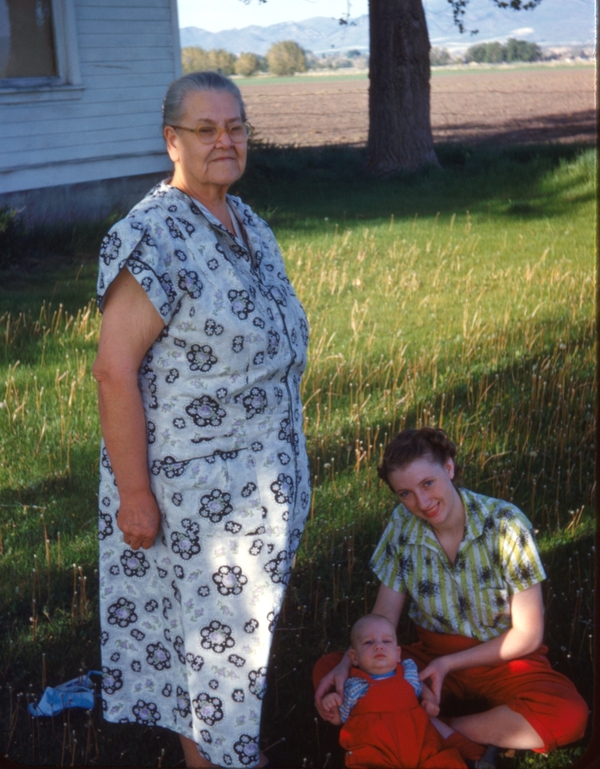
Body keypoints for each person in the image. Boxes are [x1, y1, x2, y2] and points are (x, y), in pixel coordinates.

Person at [93, 71, 311, 769]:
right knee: (217, 667)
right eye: (206, 128)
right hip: (197, 506)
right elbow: (113, 370)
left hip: (260, 492)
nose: (225, 140)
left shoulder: (247, 221)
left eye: (236, 126)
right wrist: (134, 495)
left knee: (222, 667)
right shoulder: (152, 235)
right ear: (172, 140)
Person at [315, 427, 588, 764]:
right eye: (406, 493)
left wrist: (449, 664)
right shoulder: (403, 525)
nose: (422, 502)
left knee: (570, 716)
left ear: (449, 468)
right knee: (328, 671)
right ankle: (455, 734)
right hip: (430, 656)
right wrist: (347, 663)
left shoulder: (505, 523)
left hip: (504, 657)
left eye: (427, 483)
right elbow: (383, 617)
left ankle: (438, 729)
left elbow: (528, 635)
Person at [314, 613, 466, 768]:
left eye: (386, 641)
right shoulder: (355, 686)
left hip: (417, 740)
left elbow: (421, 688)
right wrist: (331, 705)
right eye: (368, 642)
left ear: (398, 654)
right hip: (377, 750)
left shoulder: (408, 673)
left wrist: (430, 700)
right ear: (354, 657)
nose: (379, 646)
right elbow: (342, 719)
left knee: (442, 761)